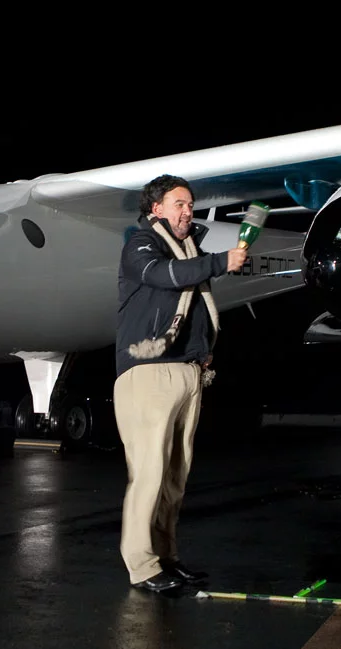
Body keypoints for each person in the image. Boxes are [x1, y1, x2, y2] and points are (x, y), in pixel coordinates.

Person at [113, 174, 247, 593]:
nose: (187, 211)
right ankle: (142, 566)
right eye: (178, 204)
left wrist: (203, 350)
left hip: (188, 373)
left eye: (190, 204)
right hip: (149, 373)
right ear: (155, 209)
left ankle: (166, 557)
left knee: (174, 477)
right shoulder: (139, 245)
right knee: (149, 475)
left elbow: (194, 304)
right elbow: (165, 275)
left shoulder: (192, 251)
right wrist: (221, 262)